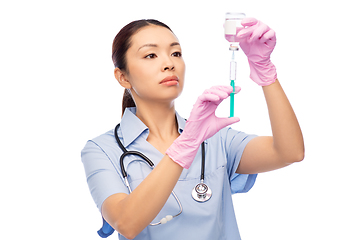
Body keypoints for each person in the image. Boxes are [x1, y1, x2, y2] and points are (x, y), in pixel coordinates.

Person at [81, 18, 304, 240]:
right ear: (123, 77)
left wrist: (265, 73)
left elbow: (290, 152)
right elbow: (127, 224)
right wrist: (186, 144)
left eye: (175, 53)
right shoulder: (102, 150)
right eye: (151, 55)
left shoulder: (215, 137)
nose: (169, 63)